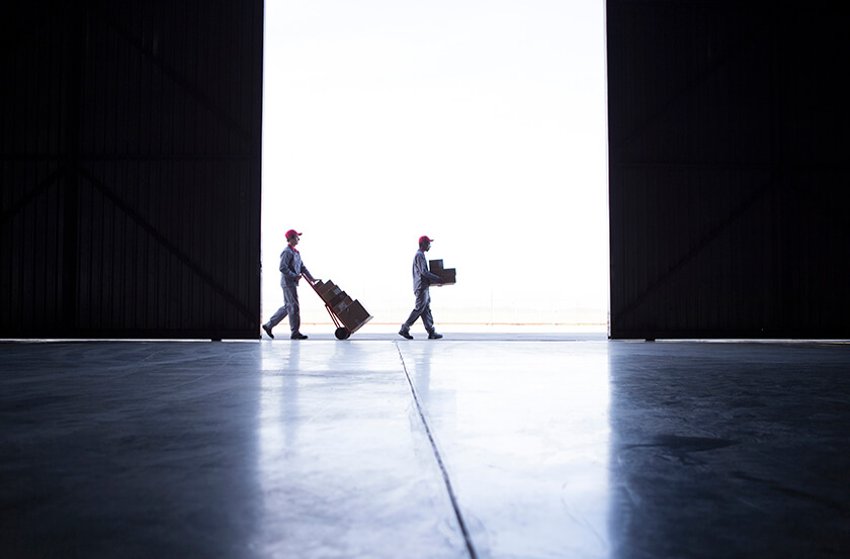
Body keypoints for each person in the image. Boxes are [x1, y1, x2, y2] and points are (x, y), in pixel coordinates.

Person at [263, 229, 317, 340]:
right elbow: (282, 267)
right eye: (297, 237)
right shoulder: (286, 252)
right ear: (291, 238)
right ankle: (295, 332)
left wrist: (312, 278)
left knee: (288, 306)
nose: (299, 239)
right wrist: (294, 276)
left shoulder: (296, 253)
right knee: (294, 307)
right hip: (288, 283)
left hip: (292, 283)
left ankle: (269, 325)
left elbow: (302, 267)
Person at [399, 235, 443, 340]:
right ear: (423, 244)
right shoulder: (419, 255)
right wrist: (437, 278)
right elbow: (424, 272)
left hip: (424, 287)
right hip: (421, 287)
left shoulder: (421, 255)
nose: (430, 245)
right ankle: (405, 328)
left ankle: (431, 331)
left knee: (425, 309)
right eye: (428, 243)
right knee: (419, 309)